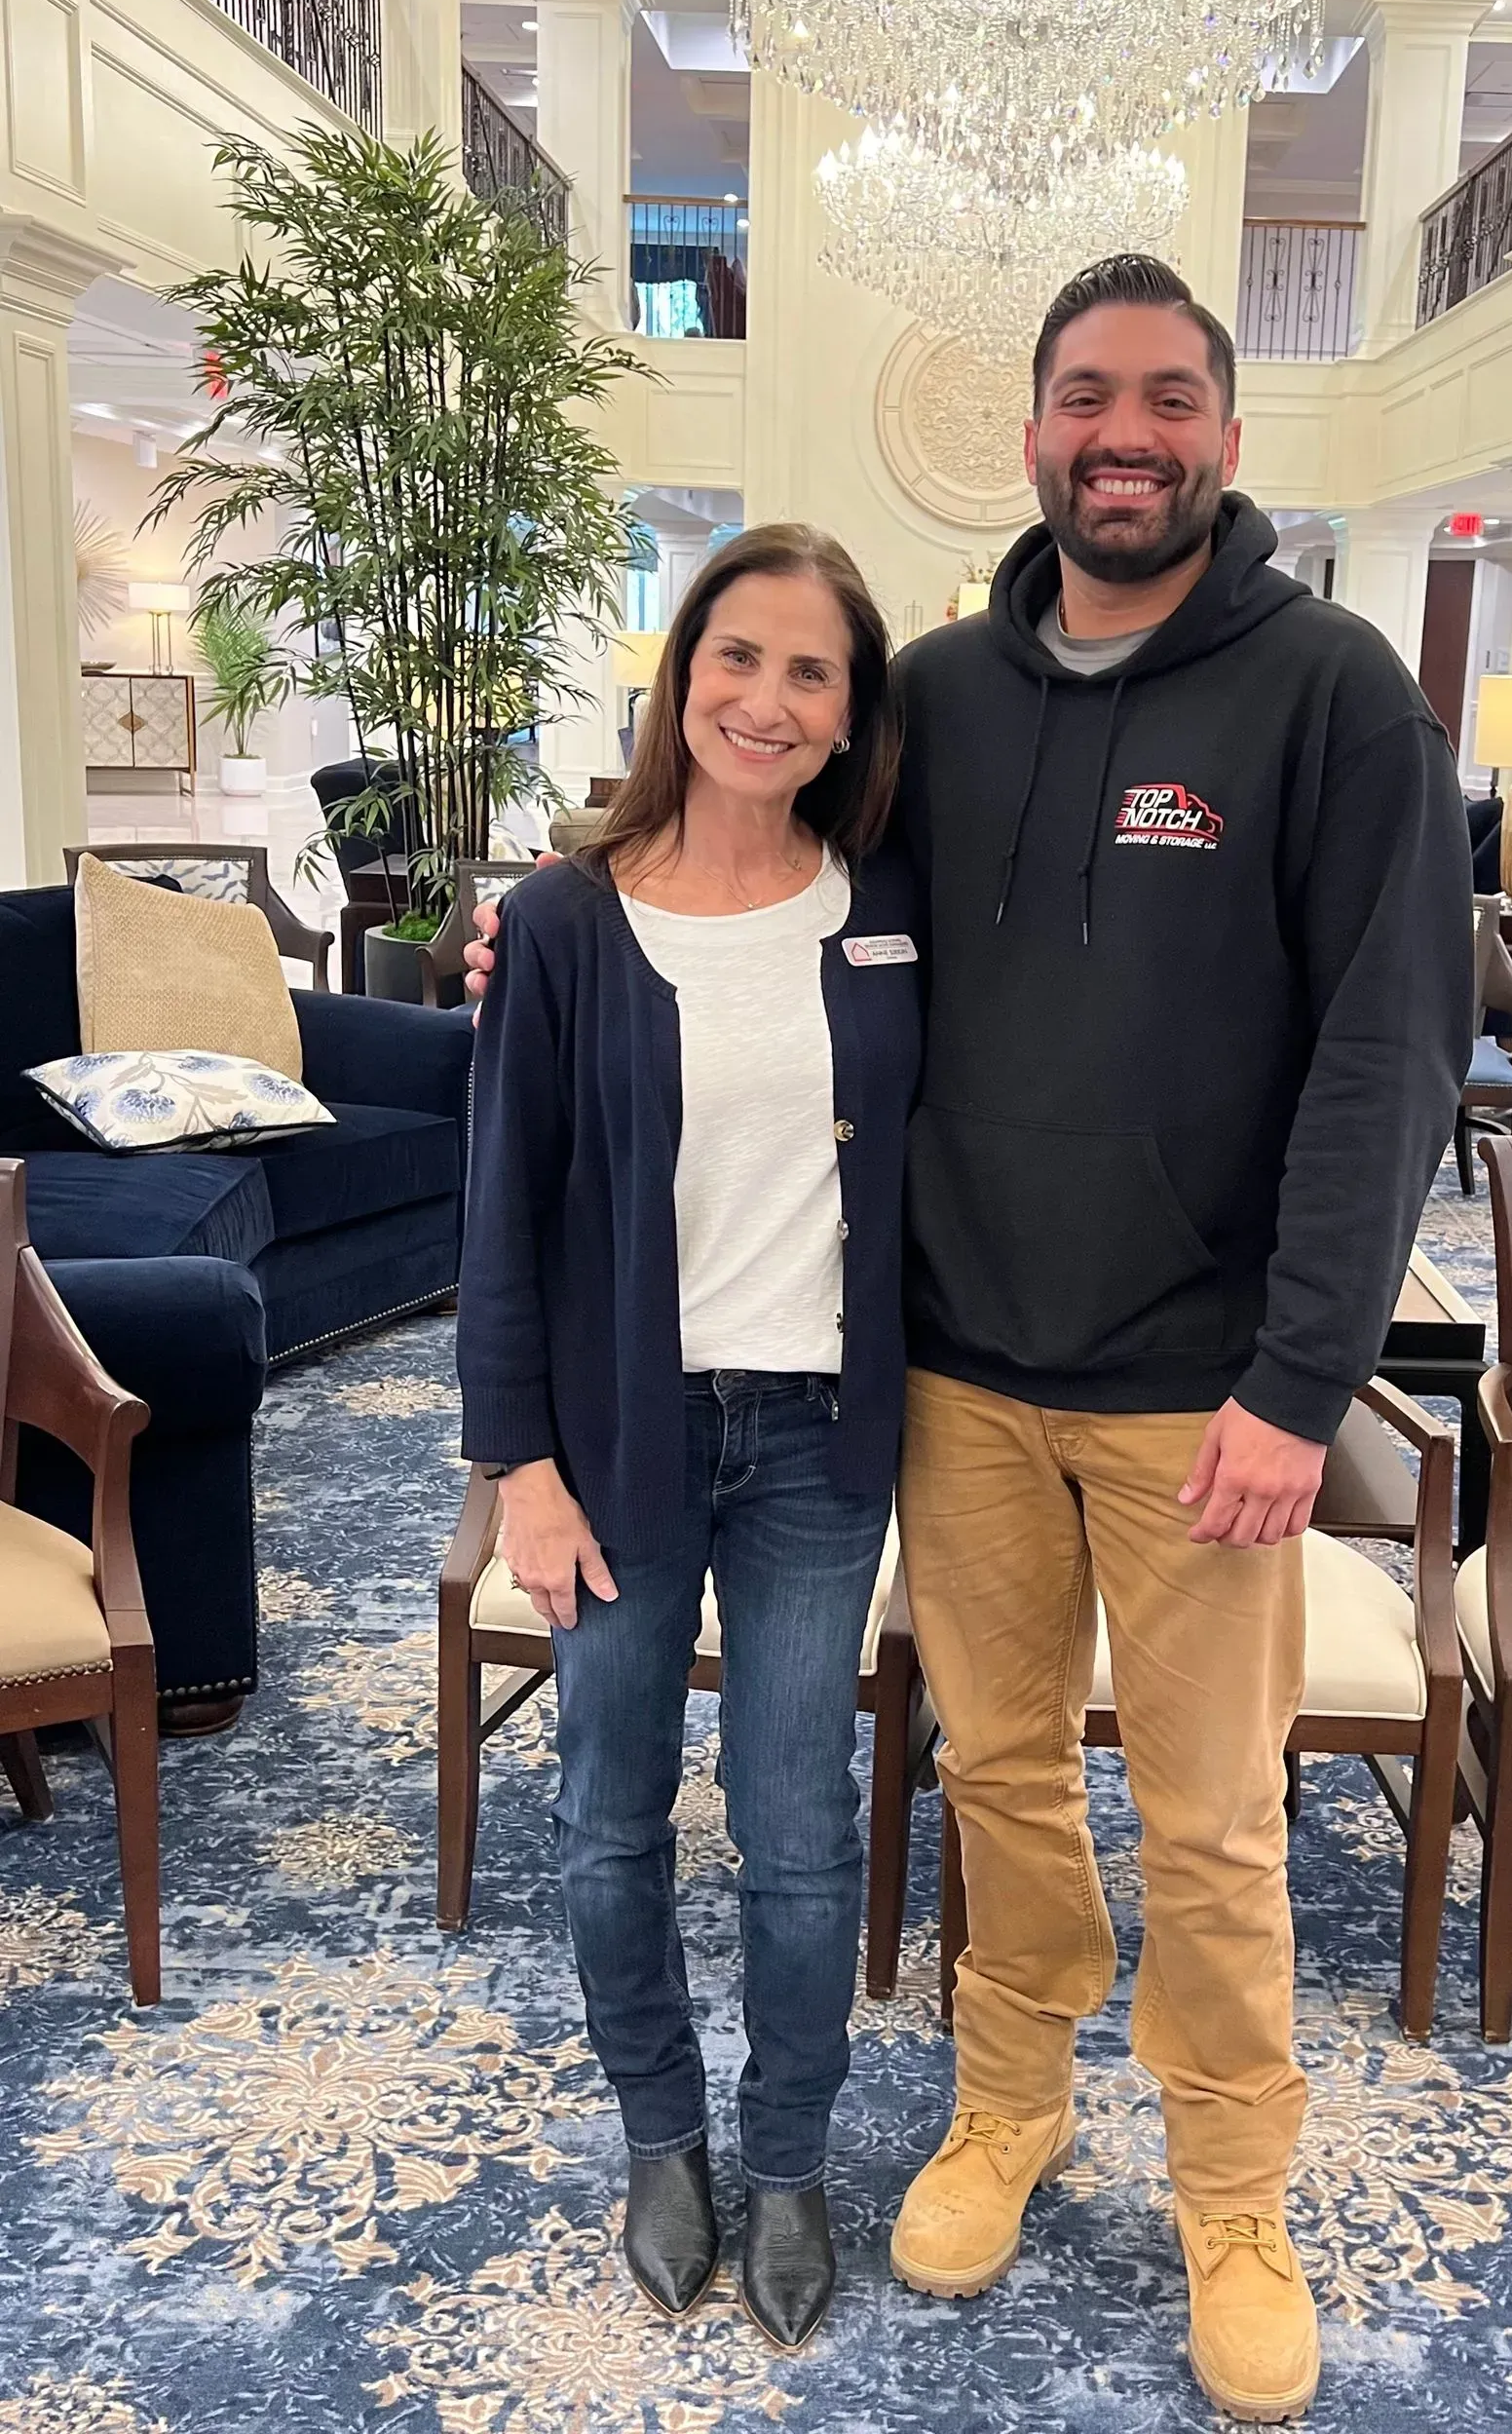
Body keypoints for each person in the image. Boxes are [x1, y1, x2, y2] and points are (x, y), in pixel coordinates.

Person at [470, 257, 1472, 2422]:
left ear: (1226, 431)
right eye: (1089, 398)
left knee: (1209, 1824)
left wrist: (1306, 1377)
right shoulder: (934, 694)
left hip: (1206, 1400)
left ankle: (1235, 2189)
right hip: (947, 1383)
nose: (1129, 435)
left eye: (1172, 400)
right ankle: (1006, 2101)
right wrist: (546, 903)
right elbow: (749, 865)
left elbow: (1388, 1060)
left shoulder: (1332, 693)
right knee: (1002, 1781)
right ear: (1035, 431)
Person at [456, 522, 922, 2355]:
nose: (768, 698)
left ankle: (790, 2157)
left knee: (802, 1832)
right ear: (682, 675)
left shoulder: (885, 912)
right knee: (602, 1819)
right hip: (618, 1439)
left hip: (818, 1438)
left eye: (812, 671)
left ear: (848, 710)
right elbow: (500, 1216)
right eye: (740, 657)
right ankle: (665, 2138)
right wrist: (522, 1468)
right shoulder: (565, 923)